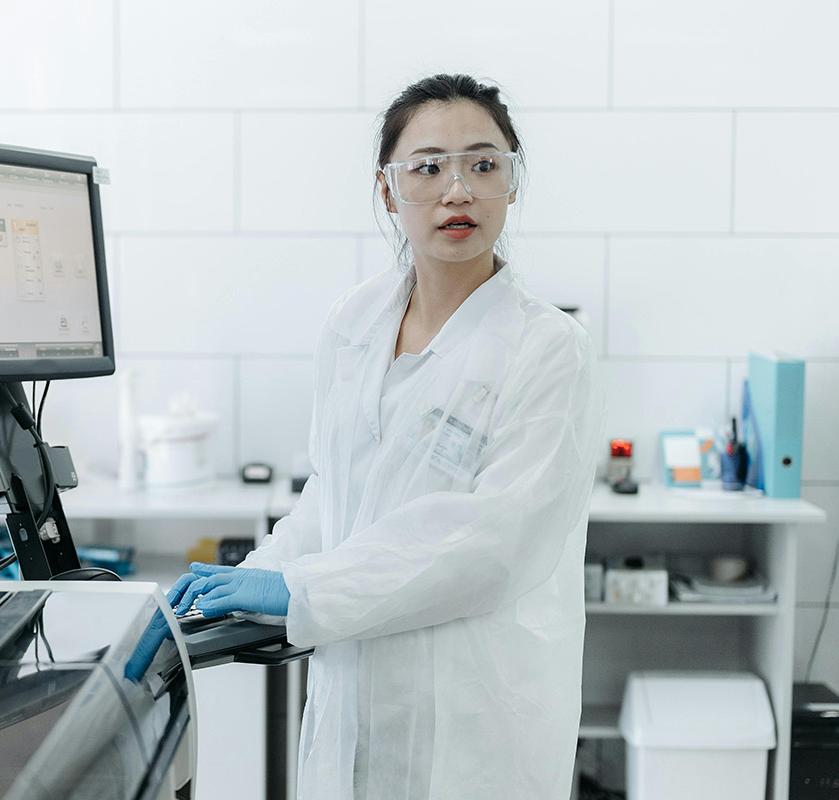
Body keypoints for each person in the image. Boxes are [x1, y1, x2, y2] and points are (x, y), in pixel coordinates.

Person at [168, 74, 606, 799]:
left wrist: (299, 589)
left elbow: (491, 546)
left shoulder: (549, 348)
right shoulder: (355, 323)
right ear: (387, 190)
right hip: (354, 701)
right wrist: (250, 581)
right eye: (428, 166)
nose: (457, 190)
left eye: (484, 164)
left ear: (512, 184)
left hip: (475, 725)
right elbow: (332, 496)